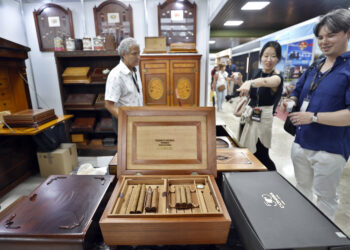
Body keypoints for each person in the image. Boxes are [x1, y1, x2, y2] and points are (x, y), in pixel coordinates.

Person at [281, 8, 350, 220]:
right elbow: (299, 92)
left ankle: (319, 239)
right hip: (301, 142)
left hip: (329, 149)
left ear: (347, 33)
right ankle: (302, 228)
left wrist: (314, 117)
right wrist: (290, 101)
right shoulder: (316, 65)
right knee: (302, 189)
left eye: (331, 35)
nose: (324, 41)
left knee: (325, 197)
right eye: (320, 37)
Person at [237, 41, 283, 171]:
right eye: (266, 55)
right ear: (261, 56)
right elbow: (250, 92)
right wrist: (240, 82)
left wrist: (250, 82)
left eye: (273, 56)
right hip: (250, 114)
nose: (269, 60)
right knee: (248, 149)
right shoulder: (257, 72)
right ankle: (251, 173)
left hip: (264, 117)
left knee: (262, 152)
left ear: (278, 58)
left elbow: (265, 82)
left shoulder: (276, 77)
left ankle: (271, 176)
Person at [105, 37, 143, 137]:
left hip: (136, 119)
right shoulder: (116, 75)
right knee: (126, 151)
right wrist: (126, 119)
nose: (139, 57)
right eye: (134, 54)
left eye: (139, 53)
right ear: (124, 54)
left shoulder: (135, 70)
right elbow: (109, 105)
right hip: (124, 121)